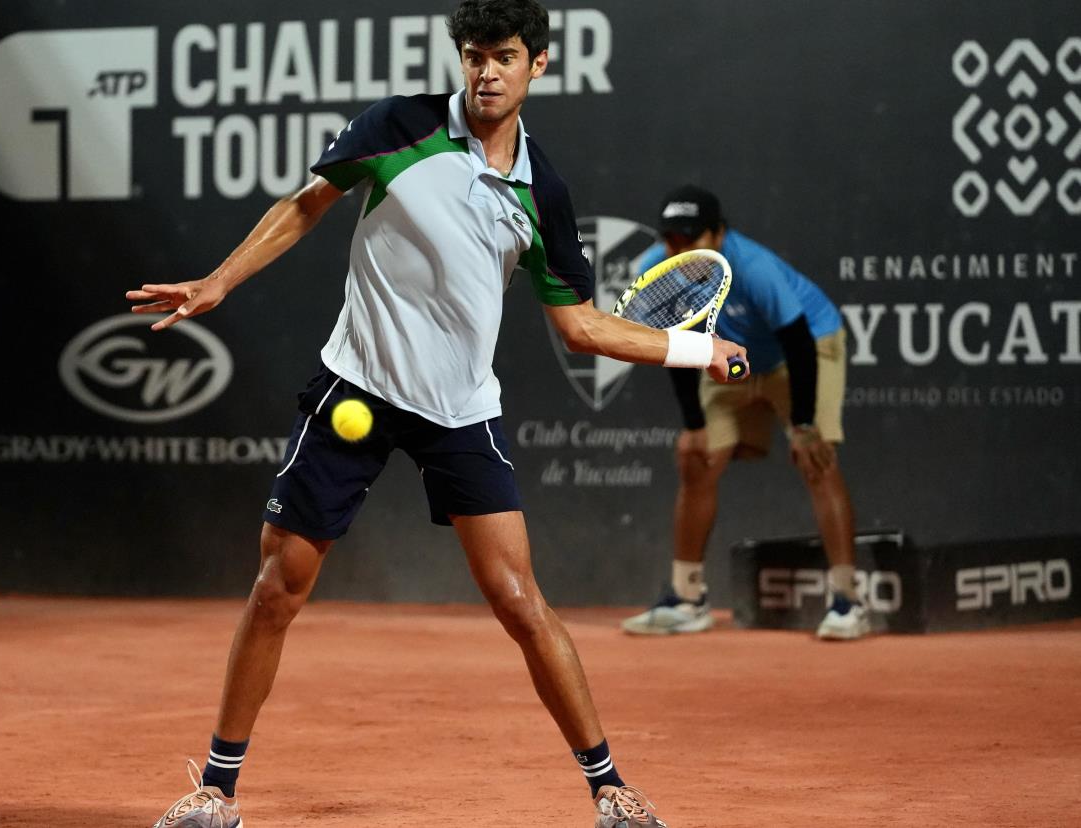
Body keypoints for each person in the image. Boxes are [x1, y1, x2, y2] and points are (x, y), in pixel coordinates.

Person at [127, 3, 745, 826]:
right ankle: (215, 789)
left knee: (519, 600)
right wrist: (221, 280)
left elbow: (579, 326)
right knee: (278, 587)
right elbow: (309, 201)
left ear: (539, 67)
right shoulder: (397, 126)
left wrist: (695, 352)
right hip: (355, 385)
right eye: (475, 55)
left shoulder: (542, 191)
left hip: (459, 411)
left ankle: (610, 791)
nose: (487, 71)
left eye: (506, 57)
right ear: (460, 60)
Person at [620, 185, 868, 641]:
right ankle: (687, 598)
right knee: (695, 460)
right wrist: (694, 426)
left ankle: (847, 600)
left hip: (805, 347)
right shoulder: (658, 268)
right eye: (671, 239)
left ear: (718, 234)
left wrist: (806, 424)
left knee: (817, 460)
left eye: (690, 238)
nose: (678, 249)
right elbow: (671, 343)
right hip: (735, 356)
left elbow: (796, 340)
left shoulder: (753, 268)